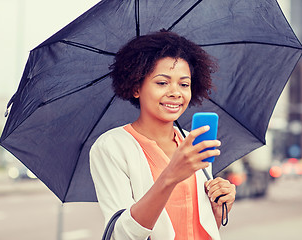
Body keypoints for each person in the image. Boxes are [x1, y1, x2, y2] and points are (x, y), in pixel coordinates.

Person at [90, 30, 236, 240]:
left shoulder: (192, 143)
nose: (176, 92)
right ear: (135, 87)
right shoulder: (111, 147)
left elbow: (196, 229)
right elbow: (121, 235)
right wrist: (170, 176)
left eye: (184, 84)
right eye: (162, 82)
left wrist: (217, 208)